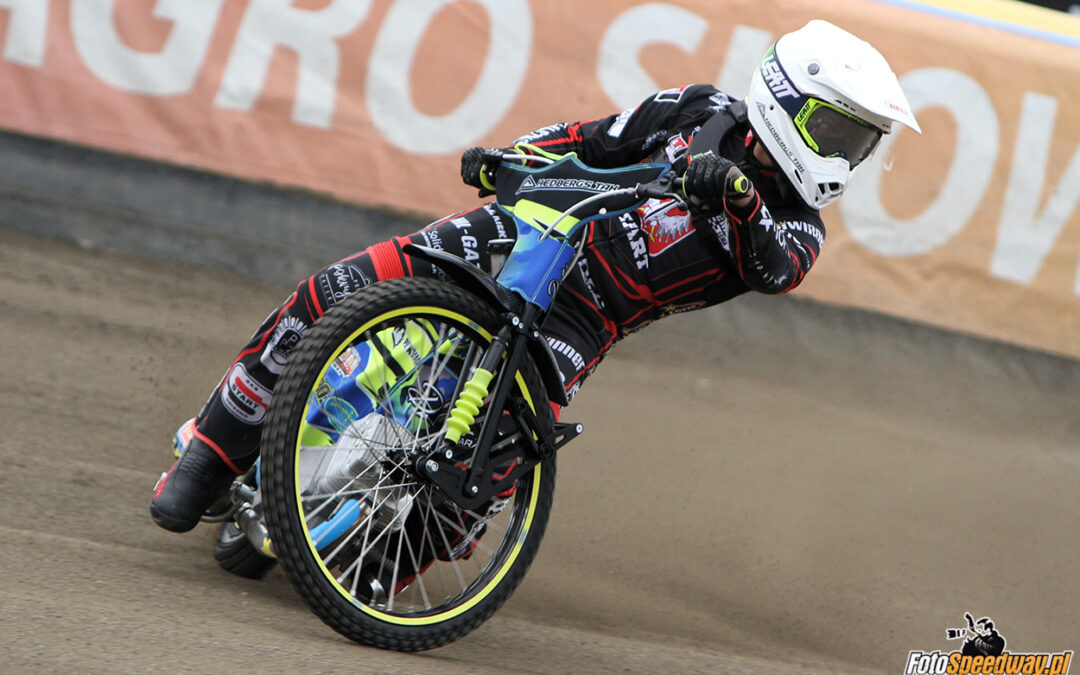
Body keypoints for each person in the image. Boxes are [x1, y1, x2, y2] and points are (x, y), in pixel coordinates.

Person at [150, 19, 921, 533]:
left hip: (588, 318)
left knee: (488, 476)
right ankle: (211, 454)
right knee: (342, 287)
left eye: (862, 141)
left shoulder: (799, 226)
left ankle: (374, 569)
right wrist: (509, 157)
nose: (848, 155)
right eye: (841, 131)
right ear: (788, 102)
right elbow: (588, 139)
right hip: (542, 226)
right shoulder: (695, 109)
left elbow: (775, 269)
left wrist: (740, 198)